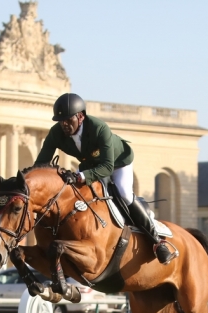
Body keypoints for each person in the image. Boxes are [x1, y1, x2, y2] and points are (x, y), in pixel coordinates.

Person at [34, 93, 177, 264]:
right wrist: (28, 181)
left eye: (67, 120)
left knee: (123, 193)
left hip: (117, 162)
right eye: (60, 120)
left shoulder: (98, 128)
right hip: (90, 164)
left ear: (80, 116)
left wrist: (80, 176)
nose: (64, 124)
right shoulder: (56, 133)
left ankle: (157, 242)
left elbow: (107, 167)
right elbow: (41, 164)